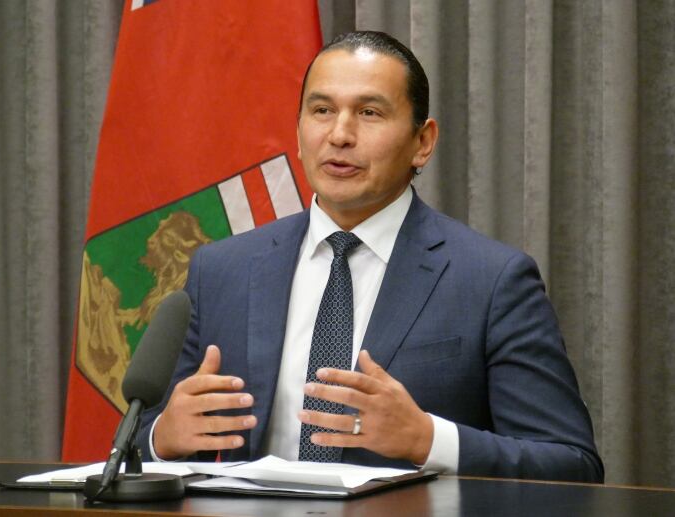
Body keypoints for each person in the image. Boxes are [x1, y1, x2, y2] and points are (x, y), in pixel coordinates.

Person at [135, 31, 604, 482]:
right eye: (321, 110)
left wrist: (428, 440)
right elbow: (134, 445)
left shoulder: (492, 280)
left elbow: (572, 464)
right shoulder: (222, 271)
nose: (340, 134)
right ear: (298, 134)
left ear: (423, 142)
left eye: (370, 112)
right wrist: (163, 438)